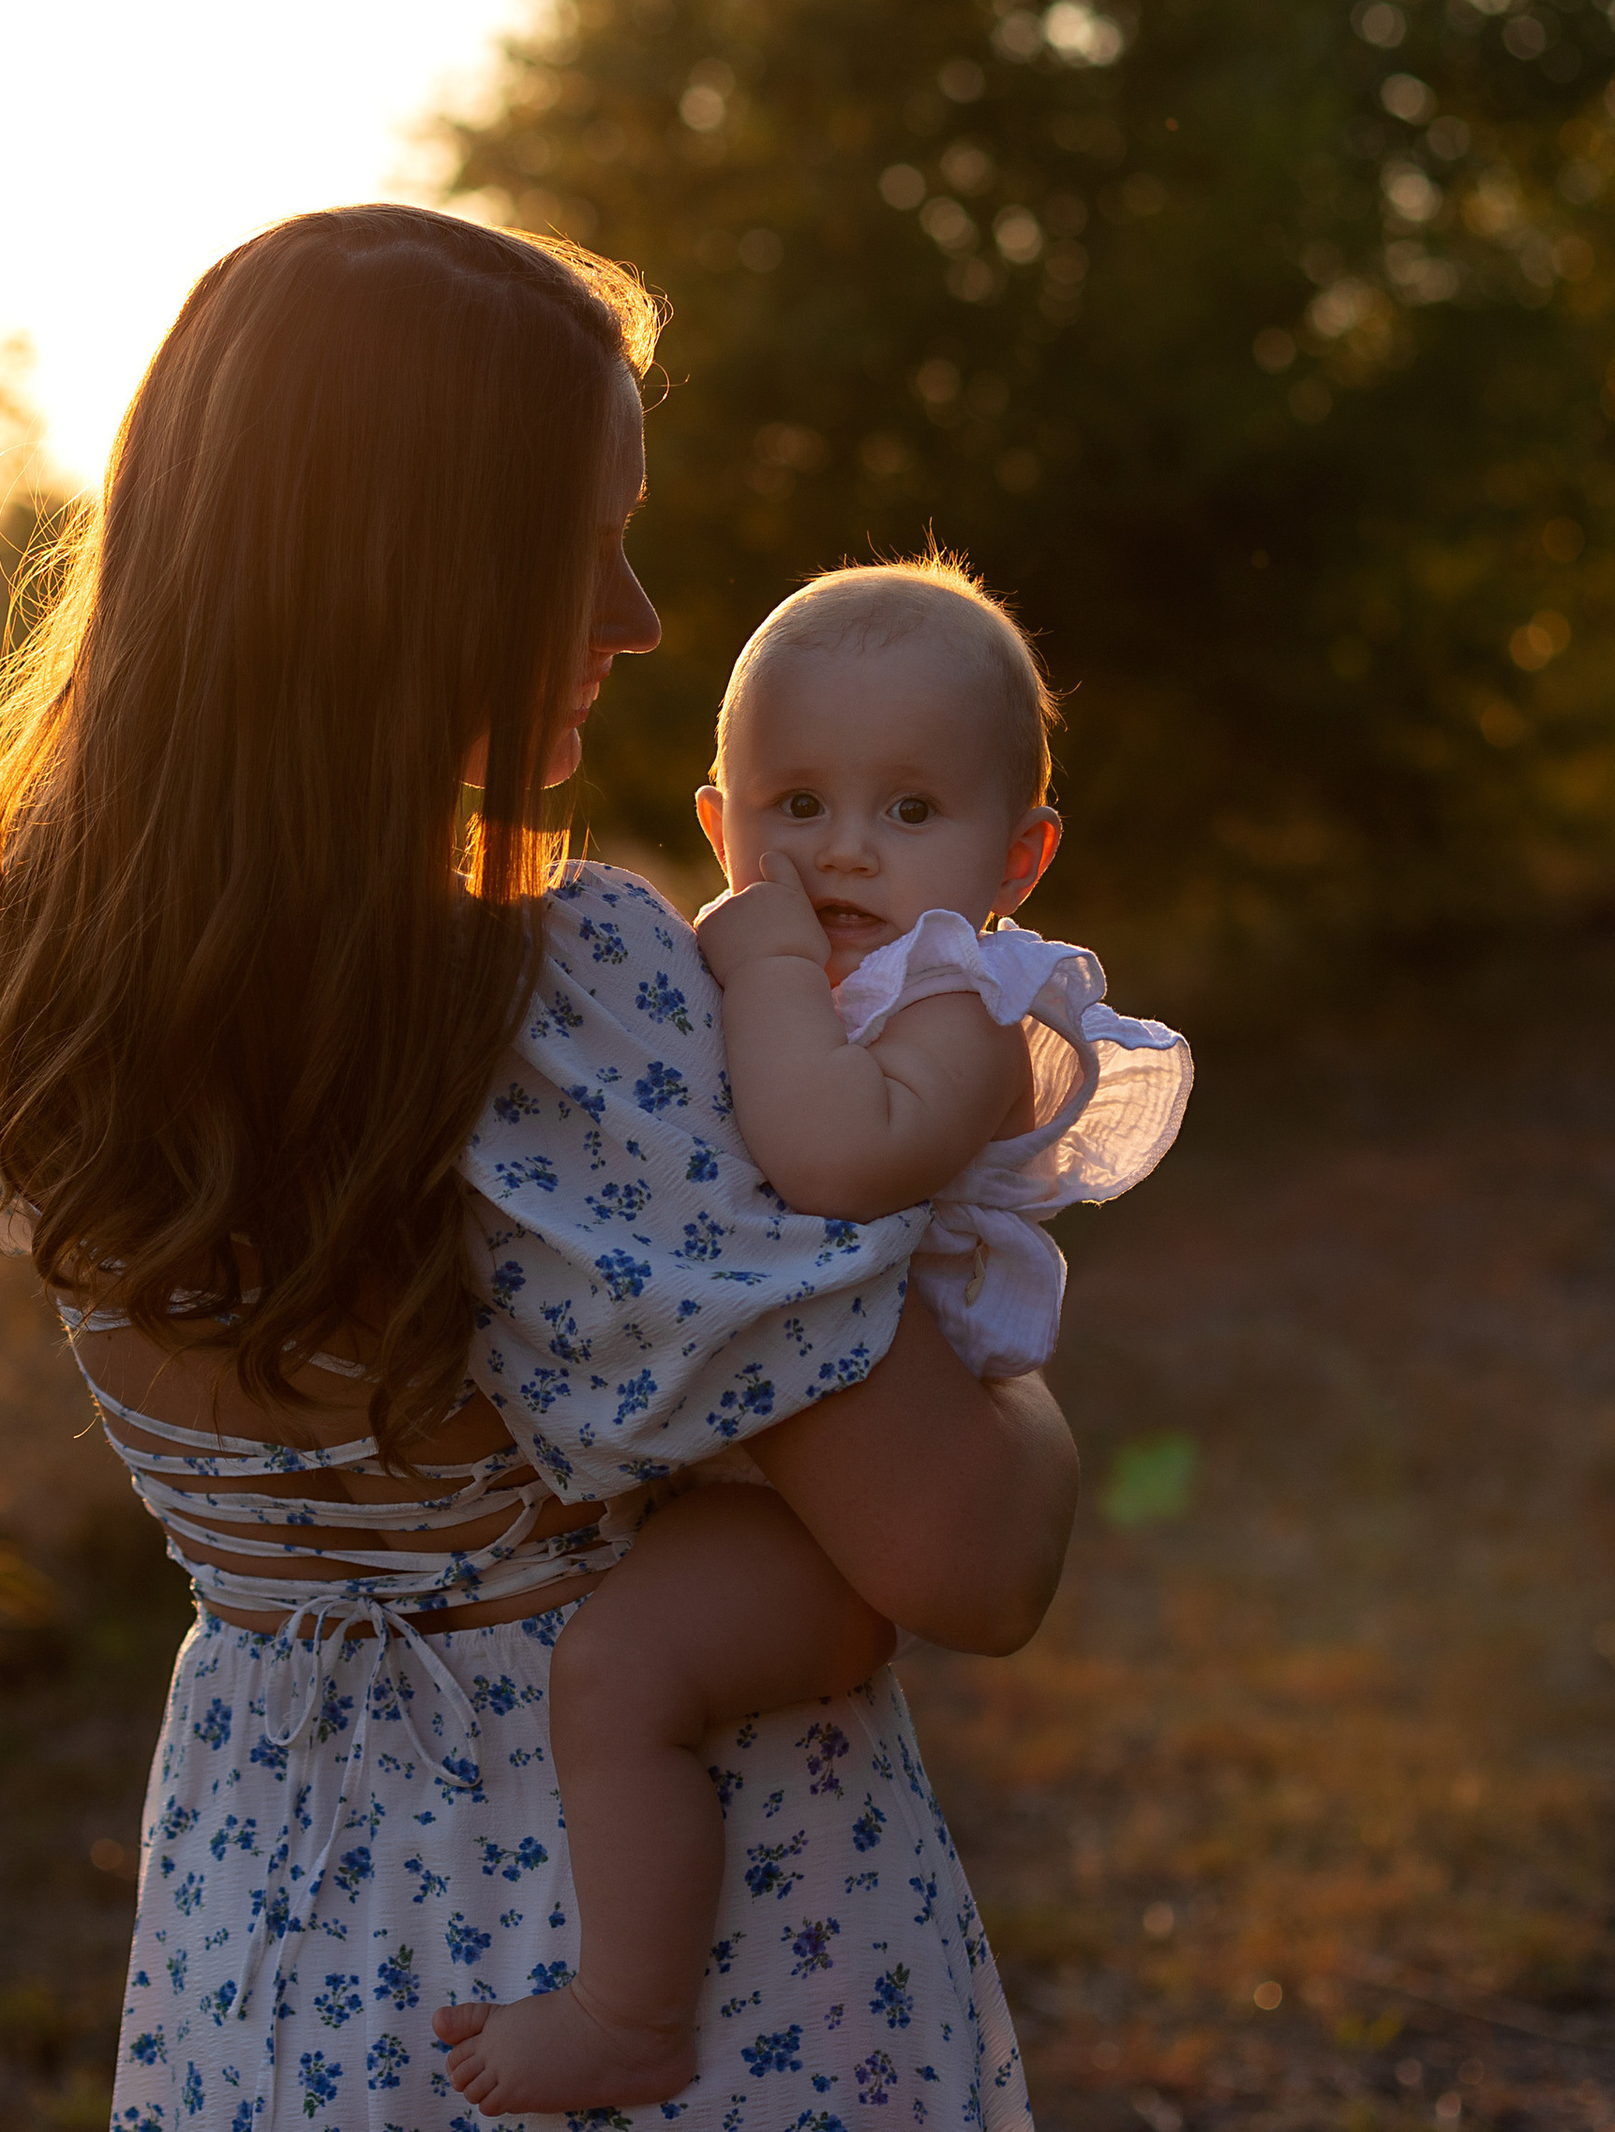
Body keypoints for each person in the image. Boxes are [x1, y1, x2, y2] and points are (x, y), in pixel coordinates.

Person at [0, 204, 1080, 2131]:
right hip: (662, 1958)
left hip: (257, 1927)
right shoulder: (566, 998)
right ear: (404, 578)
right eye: (584, 544)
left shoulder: (9, 956)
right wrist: (1012, 1379)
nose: (637, 618)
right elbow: (972, 1554)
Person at [440, 558, 1192, 2115]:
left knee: (621, 1670)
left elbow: (832, 1161)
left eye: (912, 813)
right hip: (772, 1463)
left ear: (1022, 853)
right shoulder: (803, 970)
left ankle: (632, 2014)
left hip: (835, 1511)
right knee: (618, 1662)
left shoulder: (968, 1006)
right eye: (796, 807)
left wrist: (764, 969)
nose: (846, 851)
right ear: (719, 825)